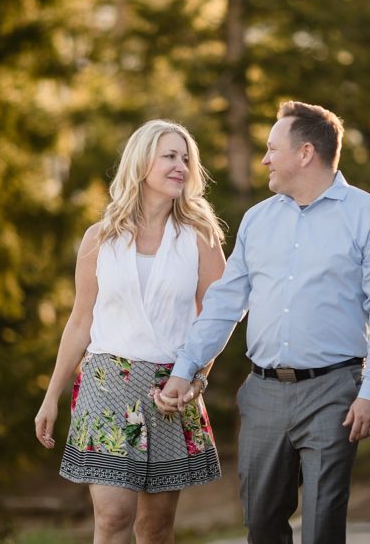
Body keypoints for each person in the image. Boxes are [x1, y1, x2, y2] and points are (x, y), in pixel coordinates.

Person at [156, 101, 370, 544]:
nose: (265, 159)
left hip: (334, 392)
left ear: (306, 153)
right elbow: (224, 304)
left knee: (322, 523)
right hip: (263, 394)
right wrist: (184, 369)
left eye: (273, 149)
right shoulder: (259, 219)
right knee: (261, 522)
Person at [34, 119, 226, 544]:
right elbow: (80, 322)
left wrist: (195, 377)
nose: (181, 166)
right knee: (112, 517)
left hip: (170, 389)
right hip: (106, 385)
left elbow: (216, 317)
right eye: (170, 156)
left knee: (155, 528)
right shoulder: (98, 238)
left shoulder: (200, 238)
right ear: (141, 164)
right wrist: (51, 396)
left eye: (186, 158)